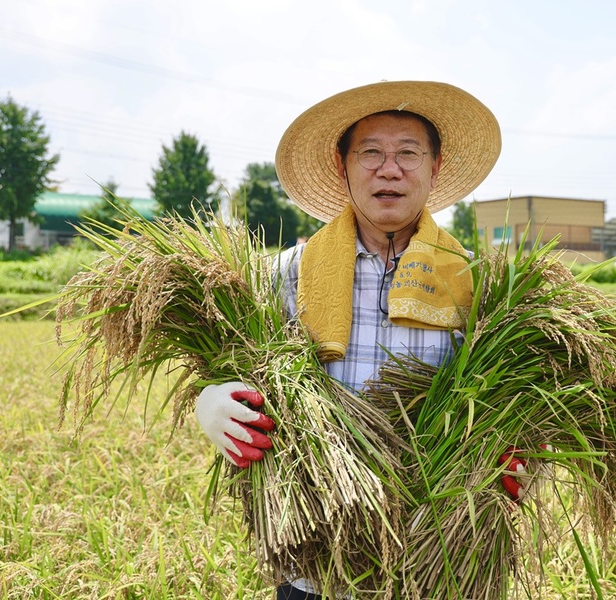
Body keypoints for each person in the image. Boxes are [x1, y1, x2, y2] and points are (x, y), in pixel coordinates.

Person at [194, 81, 523, 599]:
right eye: (370, 152)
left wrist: (521, 453)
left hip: (438, 559)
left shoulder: (477, 284)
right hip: (313, 560)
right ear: (342, 165)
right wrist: (212, 404)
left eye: (408, 154)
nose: (389, 169)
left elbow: (518, 405)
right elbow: (228, 364)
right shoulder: (287, 274)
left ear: (434, 169)